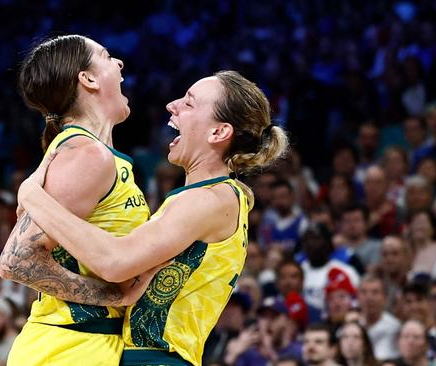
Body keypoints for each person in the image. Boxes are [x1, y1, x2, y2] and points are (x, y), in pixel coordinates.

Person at [16, 70, 288, 365]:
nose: (173, 105)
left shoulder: (209, 199)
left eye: (189, 103)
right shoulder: (213, 197)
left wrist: (33, 195)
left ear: (218, 133)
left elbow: (114, 261)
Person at [0, 34, 152, 366]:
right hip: (68, 348)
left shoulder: (90, 153)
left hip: (83, 346)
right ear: (88, 79)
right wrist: (110, 295)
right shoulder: (86, 155)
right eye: (108, 56)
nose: (119, 64)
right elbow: (17, 260)